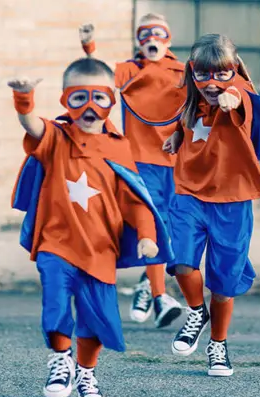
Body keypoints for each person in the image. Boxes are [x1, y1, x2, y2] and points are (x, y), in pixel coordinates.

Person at [6, 56, 172, 397]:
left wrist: (146, 234)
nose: (90, 108)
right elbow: (33, 126)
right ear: (66, 99)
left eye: (100, 97)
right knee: (55, 304)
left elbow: (134, 198)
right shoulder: (57, 136)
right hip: (57, 243)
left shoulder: (118, 144)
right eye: (79, 98)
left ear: (111, 100)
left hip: (100, 248)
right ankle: (59, 359)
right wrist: (24, 98)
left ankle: (86, 372)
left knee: (96, 316)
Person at [161, 34, 260, 377]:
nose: (213, 83)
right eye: (204, 74)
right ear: (193, 72)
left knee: (224, 284)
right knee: (181, 263)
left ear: (234, 70)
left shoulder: (241, 98)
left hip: (232, 201)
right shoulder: (192, 101)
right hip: (189, 194)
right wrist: (176, 135)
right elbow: (189, 122)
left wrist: (235, 97)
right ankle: (196, 310)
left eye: (222, 74)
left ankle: (218, 344)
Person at [78, 13, 189, 329]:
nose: (151, 39)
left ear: (167, 39)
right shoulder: (129, 70)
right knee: (151, 224)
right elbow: (97, 77)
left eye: (157, 33)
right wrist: (89, 47)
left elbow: (196, 106)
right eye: (145, 34)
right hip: (141, 161)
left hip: (177, 162)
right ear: (139, 41)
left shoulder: (182, 71)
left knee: (172, 231)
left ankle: (145, 284)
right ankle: (159, 296)